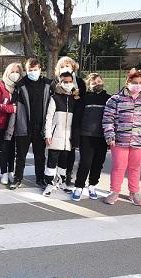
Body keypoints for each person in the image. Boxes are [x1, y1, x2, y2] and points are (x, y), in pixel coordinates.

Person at [102, 68, 141, 206]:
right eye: (135, 82)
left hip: (140, 141)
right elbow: (108, 118)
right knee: (119, 166)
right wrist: (110, 135)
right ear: (128, 82)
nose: (138, 85)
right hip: (119, 141)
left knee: (135, 167)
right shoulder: (115, 99)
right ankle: (114, 191)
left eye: (140, 82)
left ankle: (134, 192)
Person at [6, 58, 52, 190]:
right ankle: (17, 179)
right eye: (30, 70)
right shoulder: (20, 85)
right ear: (26, 70)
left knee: (40, 156)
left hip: (40, 126)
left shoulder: (47, 84)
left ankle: (40, 179)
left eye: (35, 70)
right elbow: (14, 106)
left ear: (40, 69)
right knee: (20, 155)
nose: (33, 72)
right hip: (24, 126)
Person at [71, 73, 111, 201]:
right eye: (94, 83)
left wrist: (111, 138)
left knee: (98, 163)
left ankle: (92, 185)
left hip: (102, 137)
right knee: (85, 163)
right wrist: (76, 138)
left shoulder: (109, 99)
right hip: (86, 136)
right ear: (89, 85)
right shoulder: (84, 99)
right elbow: (77, 120)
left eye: (99, 81)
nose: (97, 84)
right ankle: (78, 187)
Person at [42, 72, 80, 197]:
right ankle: (49, 183)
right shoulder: (55, 98)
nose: (68, 84)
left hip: (67, 137)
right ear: (60, 82)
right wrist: (48, 134)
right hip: (55, 136)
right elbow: (49, 117)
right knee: (52, 161)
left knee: (64, 161)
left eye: (70, 81)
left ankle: (62, 181)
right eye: (65, 82)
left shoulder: (75, 99)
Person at [53, 56, 87, 186]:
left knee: (70, 149)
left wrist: (76, 96)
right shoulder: (55, 82)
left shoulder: (80, 82)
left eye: (68, 65)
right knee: (56, 150)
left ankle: (67, 174)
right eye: (62, 66)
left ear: (73, 67)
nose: (65, 67)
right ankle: (56, 174)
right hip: (60, 120)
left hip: (74, 120)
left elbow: (83, 100)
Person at [0, 63, 22, 184]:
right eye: (12, 71)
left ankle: (11, 171)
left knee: (13, 149)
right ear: (7, 72)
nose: (15, 74)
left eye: (17, 72)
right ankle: (4, 173)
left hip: (16, 124)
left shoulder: (20, 87)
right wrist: (10, 108)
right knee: (4, 149)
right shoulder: (0, 86)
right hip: (2, 123)